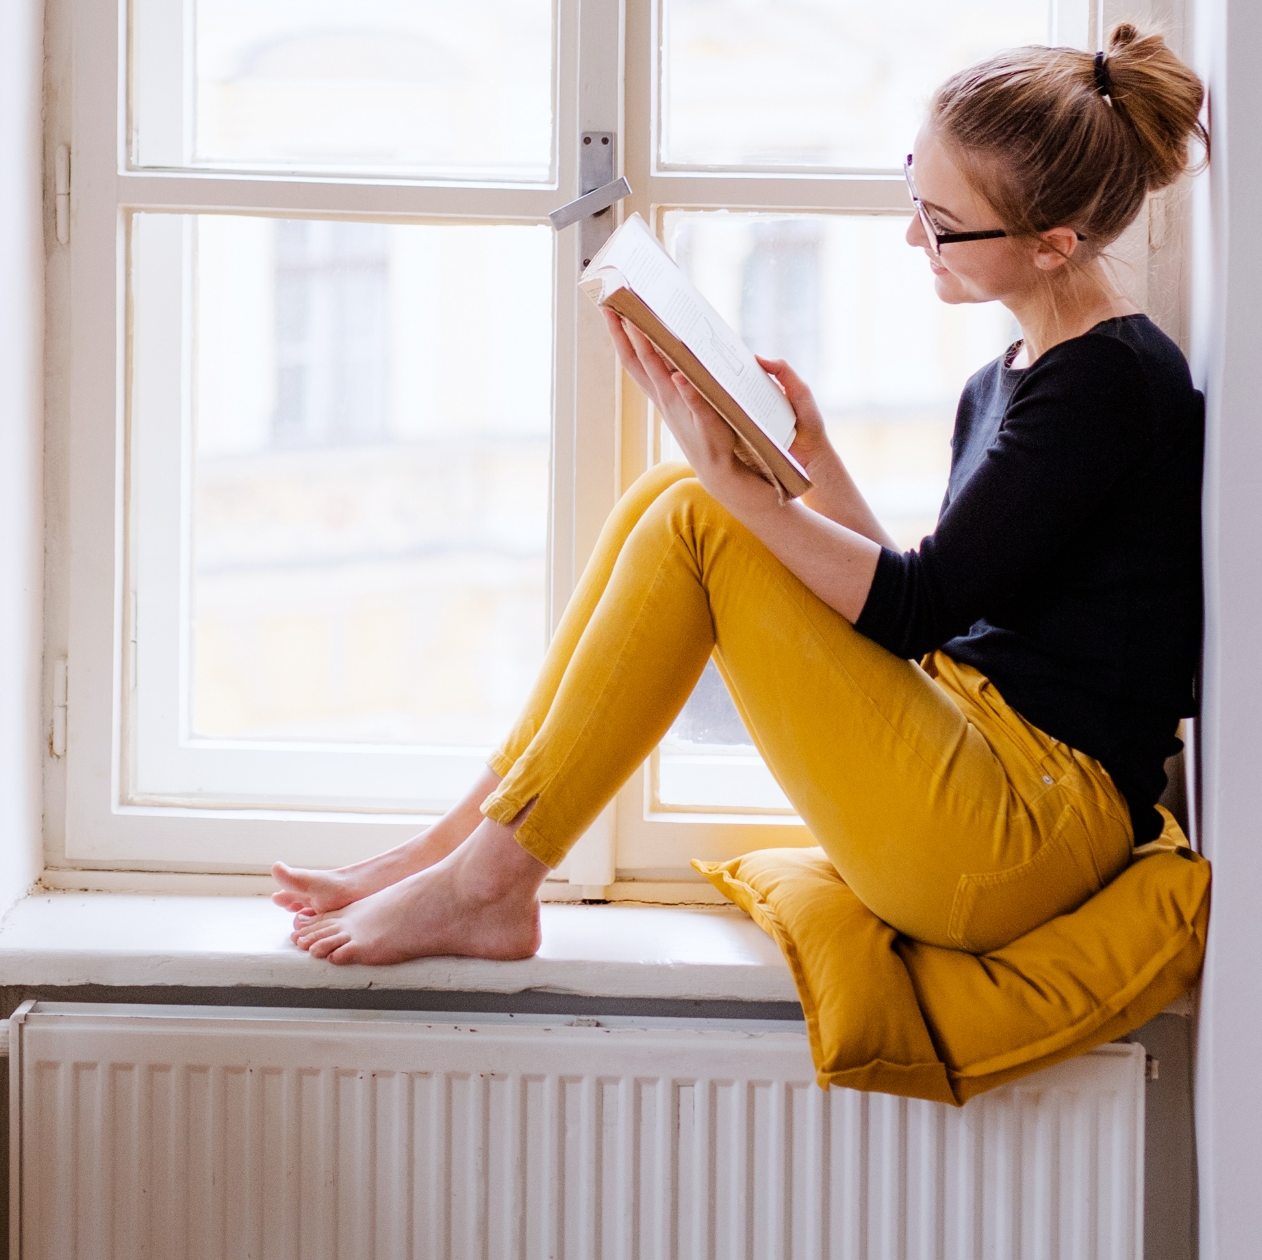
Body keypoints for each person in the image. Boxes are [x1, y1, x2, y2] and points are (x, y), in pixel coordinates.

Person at [276, 25, 1209, 967]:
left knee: (697, 512)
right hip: (992, 762)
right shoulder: (1015, 374)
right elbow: (945, 613)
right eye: (912, 193)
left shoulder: (1110, 384)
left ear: (1052, 246)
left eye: (940, 221)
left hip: (1025, 838)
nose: (911, 235)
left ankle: (485, 883)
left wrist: (744, 492)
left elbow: (917, 606)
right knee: (670, 493)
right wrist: (814, 455)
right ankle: (455, 850)